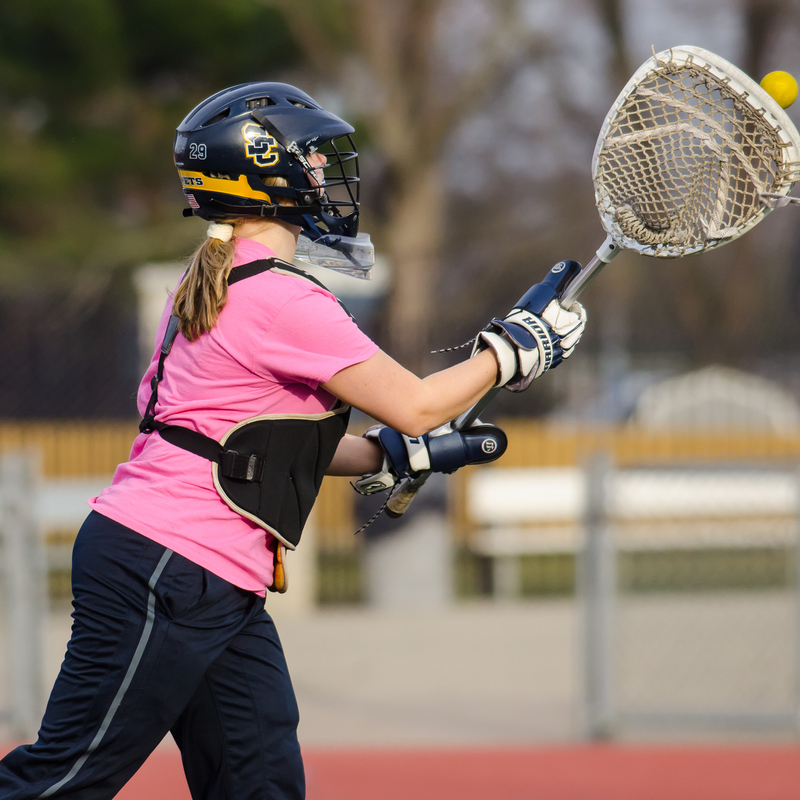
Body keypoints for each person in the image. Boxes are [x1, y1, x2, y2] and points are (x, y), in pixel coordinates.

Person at [0, 82, 586, 799]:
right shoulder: (286, 299)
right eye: (311, 158)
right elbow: (418, 404)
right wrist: (515, 351)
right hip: (169, 567)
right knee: (63, 779)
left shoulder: (209, 281)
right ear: (262, 174)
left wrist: (388, 454)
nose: (324, 172)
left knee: (262, 782)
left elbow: (240, 438)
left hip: (203, 575)